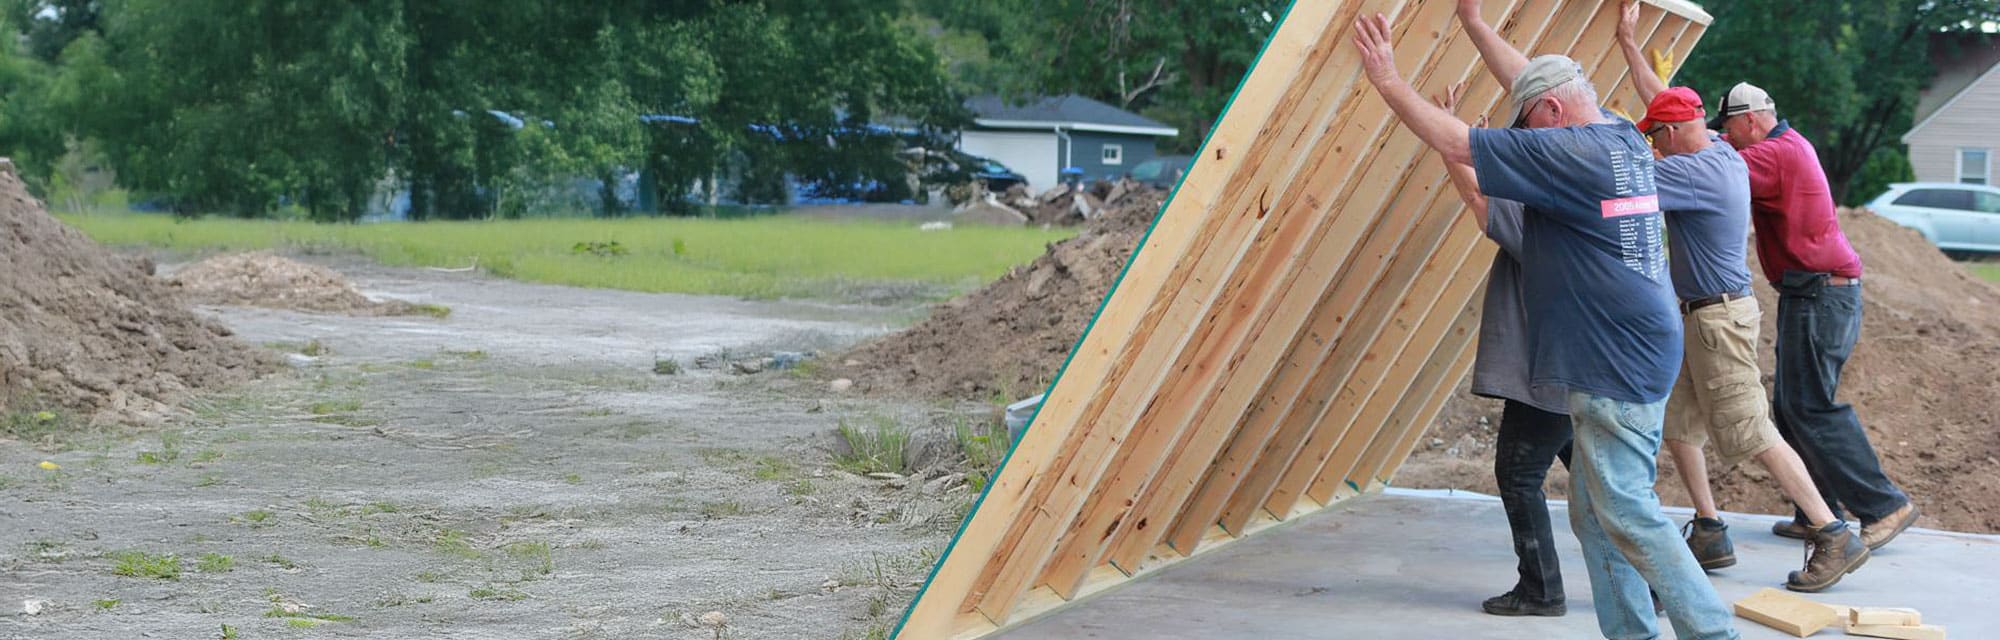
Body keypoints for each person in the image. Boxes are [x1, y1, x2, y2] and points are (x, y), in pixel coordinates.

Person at [1355, 6, 1737, 638]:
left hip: (1614, 362)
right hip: (1635, 348)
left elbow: (1459, 144)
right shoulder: (1616, 133)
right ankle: (1632, 632)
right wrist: (1475, 24)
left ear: (1554, 115)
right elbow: (1533, 80)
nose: (1527, 140)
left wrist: (1388, 80)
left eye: (1529, 124)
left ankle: (1714, 633)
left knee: (1628, 511)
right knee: (1598, 514)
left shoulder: (1571, 155)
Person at [1613, 2, 1867, 592]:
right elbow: (1669, 108)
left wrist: (1601, 134)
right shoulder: (1717, 150)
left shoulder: (1692, 172)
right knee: (1680, 424)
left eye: (1657, 137)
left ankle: (1832, 532)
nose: (1655, 143)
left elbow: (1621, 181)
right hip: (1700, 314)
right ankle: (1709, 528)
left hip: (1718, 320)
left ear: (1673, 137)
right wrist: (1629, 45)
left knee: (1751, 429)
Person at [1709, 80, 1922, 552]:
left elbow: (1711, 166)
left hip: (1819, 293)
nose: (1726, 136)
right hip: (1815, 291)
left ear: (1749, 121)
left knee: (1811, 406)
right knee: (1792, 405)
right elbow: (1718, 150)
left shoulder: (1773, 155)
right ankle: (1818, 512)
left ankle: (1884, 506)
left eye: (1728, 127)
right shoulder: (1786, 145)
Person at [1434, 84, 1575, 618]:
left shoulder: (1537, 222)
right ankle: (1655, 579)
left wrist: (1447, 138)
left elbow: (1478, 197)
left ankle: (1541, 590)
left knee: (1518, 474)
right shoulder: (1570, 202)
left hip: (1545, 378)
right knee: (1602, 486)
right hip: (1577, 369)